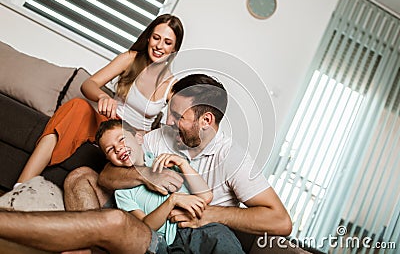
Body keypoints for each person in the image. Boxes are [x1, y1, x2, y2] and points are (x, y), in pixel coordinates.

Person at [0, 74, 292, 253]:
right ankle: (83, 248)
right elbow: (107, 177)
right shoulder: (161, 137)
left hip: (176, 234)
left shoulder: (233, 157)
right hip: (139, 215)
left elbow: (280, 220)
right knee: (80, 175)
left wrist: (209, 214)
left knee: (116, 222)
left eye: (178, 116)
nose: (168, 121)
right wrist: (145, 177)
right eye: (169, 111)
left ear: (206, 120)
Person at [14, 13, 184, 187]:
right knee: (77, 106)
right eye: (156, 38)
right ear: (148, 38)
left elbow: (176, 126)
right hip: (108, 123)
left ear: (174, 50)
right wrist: (103, 96)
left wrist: (145, 134)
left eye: (167, 42)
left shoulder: (172, 85)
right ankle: (20, 187)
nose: (159, 46)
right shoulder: (130, 58)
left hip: (133, 136)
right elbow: (89, 84)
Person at [97, 119, 244, 253]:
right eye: (110, 149)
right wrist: (172, 200)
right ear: (108, 159)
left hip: (200, 228)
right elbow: (145, 227)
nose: (118, 149)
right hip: (170, 244)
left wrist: (183, 164)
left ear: (138, 138)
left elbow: (206, 196)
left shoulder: (164, 161)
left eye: (122, 139)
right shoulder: (121, 192)